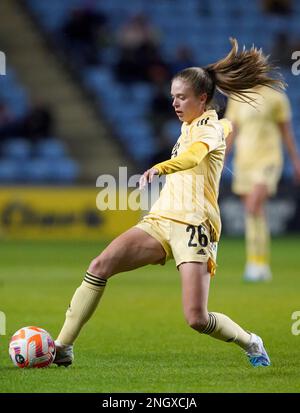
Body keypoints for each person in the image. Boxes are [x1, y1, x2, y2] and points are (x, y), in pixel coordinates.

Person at [54, 39, 284, 368]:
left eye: (182, 97)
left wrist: (161, 166)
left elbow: (194, 157)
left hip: (195, 225)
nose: (174, 103)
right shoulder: (188, 126)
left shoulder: (212, 128)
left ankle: (250, 340)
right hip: (161, 220)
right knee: (99, 266)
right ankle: (63, 346)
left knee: (196, 318)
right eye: (173, 96)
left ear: (202, 99)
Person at [225, 84, 300, 282]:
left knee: (253, 205)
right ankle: (257, 262)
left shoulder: (276, 97)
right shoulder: (238, 97)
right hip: (244, 161)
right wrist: (222, 158)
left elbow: (286, 132)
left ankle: (258, 263)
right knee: (254, 214)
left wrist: (296, 161)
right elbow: (232, 130)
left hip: (269, 159)